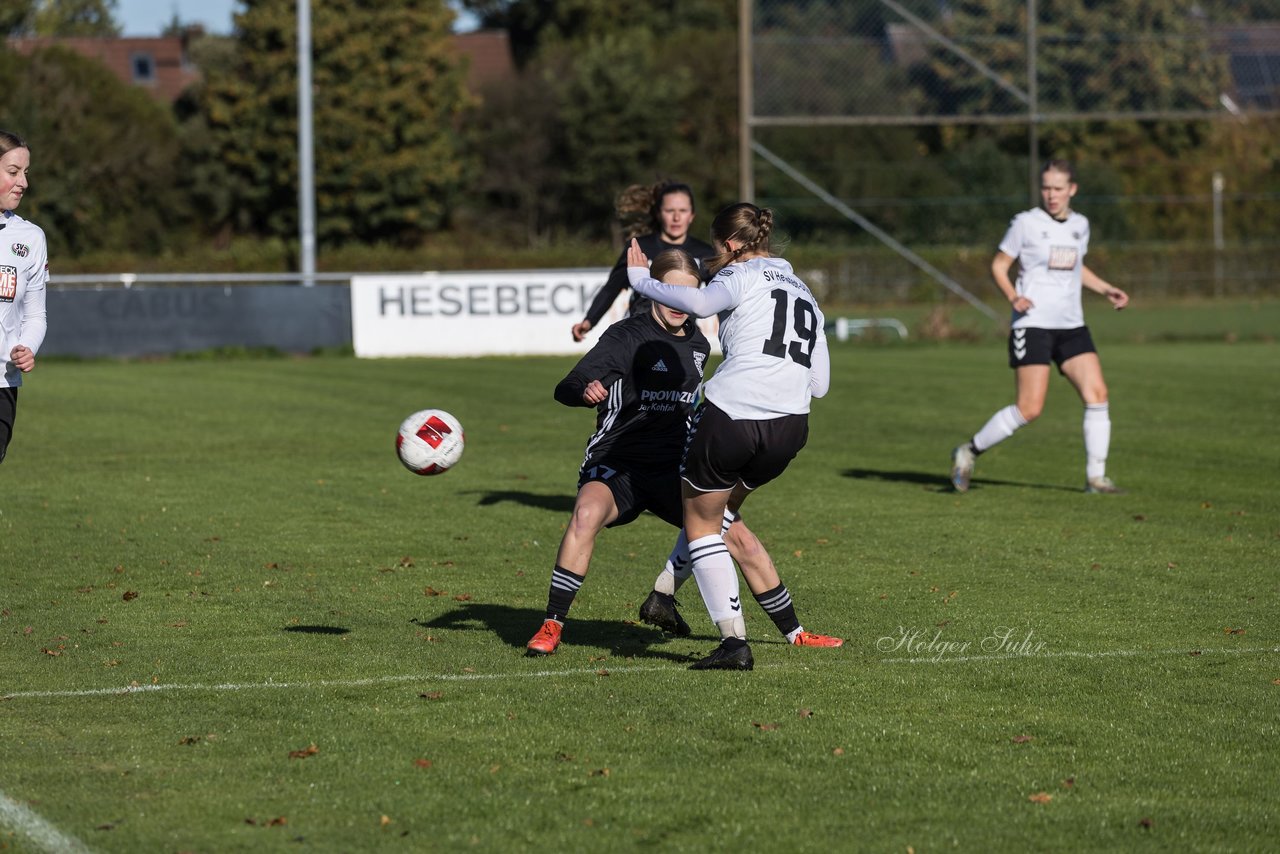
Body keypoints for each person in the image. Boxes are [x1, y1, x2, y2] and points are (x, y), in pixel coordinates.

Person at [527, 250, 841, 660]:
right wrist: (585, 390)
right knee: (586, 515)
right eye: (670, 291)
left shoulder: (698, 342)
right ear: (654, 291)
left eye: (688, 293)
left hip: (675, 468)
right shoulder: (627, 335)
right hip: (619, 462)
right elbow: (566, 387)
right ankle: (552, 624)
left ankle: (795, 632)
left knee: (740, 539)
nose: (679, 303)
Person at [626, 203, 832, 671]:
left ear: (733, 244)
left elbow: (699, 304)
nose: (715, 256)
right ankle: (663, 594)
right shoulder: (805, 293)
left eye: (718, 246)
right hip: (790, 427)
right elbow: (820, 384)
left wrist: (641, 281)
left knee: (701, 523)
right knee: (723, 512)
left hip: (733, 414)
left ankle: (733, 643)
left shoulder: (741, 273)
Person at [950, 159, 1130, 494]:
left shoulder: (1080, 225)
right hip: (1033, 325)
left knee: (1097, 394)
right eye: (1046, 188)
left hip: (1071, 325)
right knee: (1030, 408)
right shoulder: (1026, 223)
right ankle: (968, 451)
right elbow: (999, 265)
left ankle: (1096, 478)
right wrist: (1013, 297)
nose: (1051, 194)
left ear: (1072, 189)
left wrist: (1106, 289)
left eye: (1058, 188)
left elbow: (1077, 267)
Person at [570, 181, 714, 342]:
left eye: (683, 210)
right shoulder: (639, 247)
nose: (676, 217)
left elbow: (719, 295)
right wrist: (589, 321)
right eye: (669, 210)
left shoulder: (705, 253)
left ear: (692, 215)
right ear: (658, 213)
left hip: (682, 335)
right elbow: (611, 288)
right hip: (638, 332)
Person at [0, 130, 48, 465]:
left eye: (25, 172)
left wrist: (27, 347)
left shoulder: (31, 238)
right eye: (13, 172)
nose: (23, 183)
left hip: (2, 383)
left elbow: (35, 316)